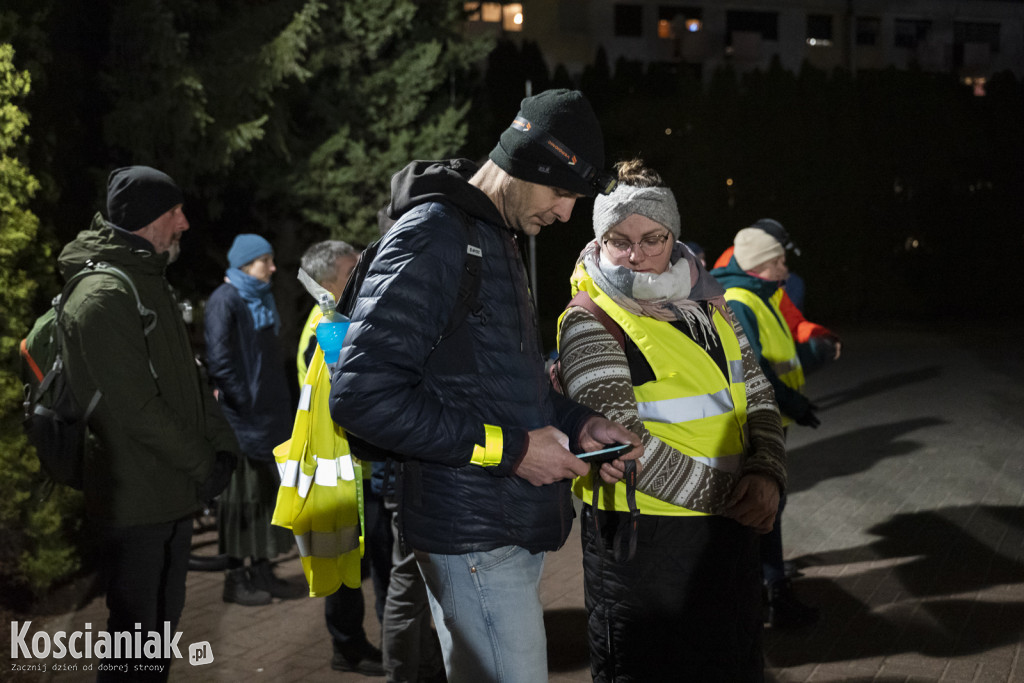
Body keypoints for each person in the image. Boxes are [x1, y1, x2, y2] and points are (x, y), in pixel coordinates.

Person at [329, 88, 640, 683]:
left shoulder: (491, 236)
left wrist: (580, 424)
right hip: (471, 534)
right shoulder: (435, 234)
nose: (566, 215)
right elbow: (362, 395)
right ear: (525, 164)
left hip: (500, 523)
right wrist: (515, 451)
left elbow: (505, 384)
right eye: (562, 193)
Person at [556, 159, 786, 681]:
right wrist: (740, 497)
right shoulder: (589, 319)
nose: (636, 256)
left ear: (674, 237)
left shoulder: (711, 305)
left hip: (728, 540)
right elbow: (622, 447)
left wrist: (768, 472)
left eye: (652, 238)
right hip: (644, 548)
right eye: (618, 240)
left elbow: (758, 395)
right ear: (599, 240)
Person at [57, 166, 239, 680]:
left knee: (158, 636)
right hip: (134, 499)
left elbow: (190, 379)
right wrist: (204, 463)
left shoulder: (148, 281)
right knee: (134, 643)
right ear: (144, 220)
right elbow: (134, 408)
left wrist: (222, 446)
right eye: (173, 213)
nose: (184, 224)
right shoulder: (101, 297)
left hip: (170, 490)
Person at [711, 225, 822, 629]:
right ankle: (768, 595)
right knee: (762, 506)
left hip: (774, 417)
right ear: (759, 266)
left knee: (768, 505)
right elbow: (755, 370)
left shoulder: (760, 296)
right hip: (760, 420)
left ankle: (764, 591)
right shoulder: (741, 301)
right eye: (778, 261)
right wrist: (795, 402)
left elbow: (780, 354)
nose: (785, 268)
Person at [297, 240, 387, 676]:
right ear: (330, 279)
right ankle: (350, 648)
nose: (363, 271)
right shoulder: (326, 326)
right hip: (345, 472)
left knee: (362, 564)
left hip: (356, 468)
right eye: (354, 267)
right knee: (346, 566)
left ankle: (378, 644)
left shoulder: (335, 319)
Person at [204, 234, 302, 606]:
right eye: (266, 260)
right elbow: (220, 358)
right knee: (239, 500)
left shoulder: (260, 298)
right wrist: (244, 403)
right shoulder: (224, 300)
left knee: (263, 497)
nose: (273, 268)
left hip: (267, 418)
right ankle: (235, 577)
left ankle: (261, 568)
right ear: (247, 263)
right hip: (242, 420)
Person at [713, 218, 841, 372]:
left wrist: (821, 334)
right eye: (776, 260)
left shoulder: (757, 279)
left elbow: (790, 319)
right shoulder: (740, 291)